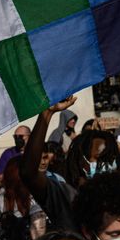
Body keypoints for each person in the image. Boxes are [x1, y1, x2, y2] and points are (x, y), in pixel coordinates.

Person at [20, 99, 80, 232]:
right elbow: (29, 173)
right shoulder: (46, 184)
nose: (43, 161)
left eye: (46, 157)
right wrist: (46, 113)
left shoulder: (59, 181)